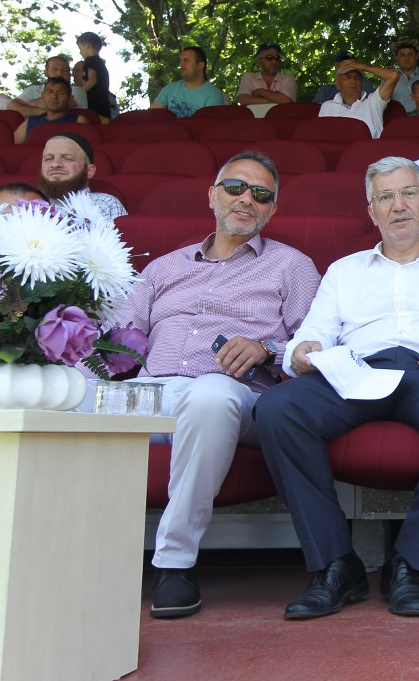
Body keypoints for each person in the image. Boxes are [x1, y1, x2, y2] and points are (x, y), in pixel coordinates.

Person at [254, 157, 419, 620]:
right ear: (372, 212)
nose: (398, 206)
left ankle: (411, 562)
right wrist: (305, 350)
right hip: (357, 372)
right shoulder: (344, 270)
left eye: (408, 193)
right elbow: (314, 333)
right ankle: (335, 563)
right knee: (276, 409)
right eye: (385, 197)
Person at [84, 151, 319, 619]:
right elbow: (111, 340)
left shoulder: (292, 266)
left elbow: (315, 346)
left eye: (261, 194)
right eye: (235, 187)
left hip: (235, 397)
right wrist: (78, 385)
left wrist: (267, 349)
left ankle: (174, 562)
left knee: (210, 396)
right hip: (152, 394)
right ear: (212, 195)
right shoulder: (162, 268)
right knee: (54, 393)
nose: (246, 199)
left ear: (272, 209)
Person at [37, 132, 126, 221]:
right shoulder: (32, 206)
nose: (55, 164)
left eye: (67, 158)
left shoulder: (106, 204)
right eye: (48, 159)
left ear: (89, 171)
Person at [317, 57, 400, 139]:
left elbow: (393, 76)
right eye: (348, 77)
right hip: (338, 147)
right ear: (337, 84)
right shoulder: (327, 106)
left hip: (370, 147)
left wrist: (364, 67)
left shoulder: (373, 102)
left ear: (362, 83)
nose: (353, 81)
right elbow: (321, 137)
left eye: (357, 78)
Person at [151, 46, 224, 118]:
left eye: (186, 60)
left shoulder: (214, 94)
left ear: (200, 66)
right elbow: (151, 116)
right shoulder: (170, 89)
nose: (181, 64)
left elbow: (209, 124)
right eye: (181, 60)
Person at [13, 77, 88, 143]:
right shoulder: (30, 122)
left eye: (61, 93)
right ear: (43, 96)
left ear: (69, 98)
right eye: (50, 91)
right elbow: (12, 148)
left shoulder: (79, 121)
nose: (54, 96)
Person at [10, 55, 88, 116]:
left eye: (64, 70)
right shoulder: (33, 89)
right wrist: (42, 112)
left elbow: (61, 104)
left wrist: (30, 104)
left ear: (69, 74)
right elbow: (12, 107)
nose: (59, 73)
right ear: (46, 72)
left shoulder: (77, 90)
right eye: (55, 69)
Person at [390, 36, 419, 113]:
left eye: (410, 54)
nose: (406, 58)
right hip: (397, 119)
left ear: (417, 56)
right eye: (402, 55)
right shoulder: (389, 77)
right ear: (397, 58)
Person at [74, 31, 111, 121]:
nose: (80, 52)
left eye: (80, 48)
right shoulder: (99, 63)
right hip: (103, 107)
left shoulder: (91, 61)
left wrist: (78, 94)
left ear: (87, 46)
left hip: (96, 108)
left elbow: (92, 81)